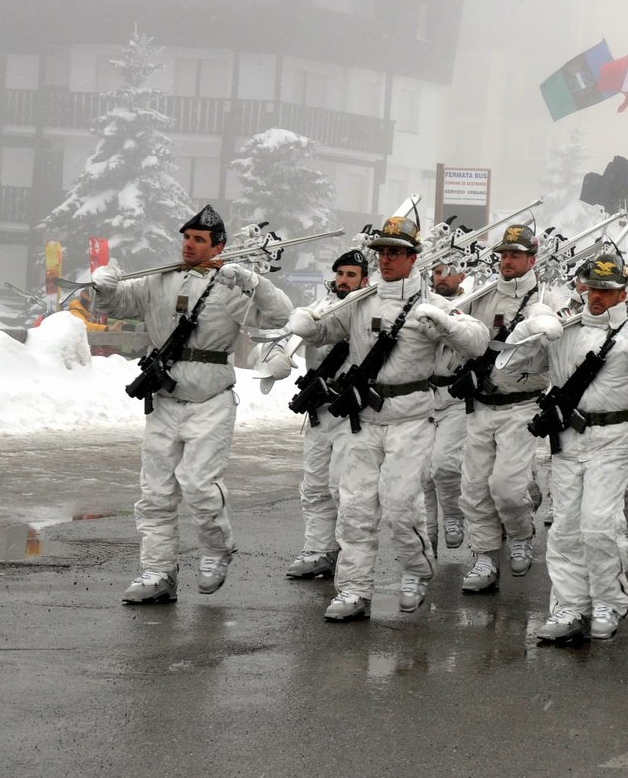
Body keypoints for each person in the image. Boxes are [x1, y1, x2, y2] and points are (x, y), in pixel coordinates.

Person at [284, 215, 489, 623]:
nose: (386, 259)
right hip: (364, 419)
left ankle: (415, 570)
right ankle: (355, 589)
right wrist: (307, 324)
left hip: (411, 420)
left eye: (395, 252)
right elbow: (328, 329)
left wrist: (448, 327)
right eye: (381, 252)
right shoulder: (362, 299)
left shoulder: (433, 304)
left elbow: (478, 341)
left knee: (400, 506)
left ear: (414, 258)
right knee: (355, 506)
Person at [495, 255, 628, 644]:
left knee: (598, 526)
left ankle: (609, 599)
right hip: (569, 440)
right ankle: (570, 606)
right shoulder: (566, 331)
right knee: (565, 529)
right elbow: (505, 371)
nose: (598, 298)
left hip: (614, 439)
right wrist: (527, 330)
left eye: (607, 291)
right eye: (593, 289)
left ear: (622, 293)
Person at [91, 204, 293, 603]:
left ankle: (217, 550)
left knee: (199, 485)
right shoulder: (158, 281)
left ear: (218, 246)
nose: (189, 245)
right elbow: (115, 306)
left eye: (199, 240)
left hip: (211, 400)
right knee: (156, 492)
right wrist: (104, 286)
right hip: (165, 399)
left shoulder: (234, 285)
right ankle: (157, 572)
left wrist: (255, 283)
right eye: (186, 237)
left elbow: (279, 315)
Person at [455, 224, 570, 594]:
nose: (507, 261)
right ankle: (486, 555)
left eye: (515, 255)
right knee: (474, 487)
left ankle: (520, 535)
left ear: (532, 259)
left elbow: (563, 352)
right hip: (479, 405)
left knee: (505, 486)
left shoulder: (549, 300)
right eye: (503, 254)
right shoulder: (480, 296)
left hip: (521, 405)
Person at [282, 249, 369, 580]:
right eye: (340, 274)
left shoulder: (365, 310)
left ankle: (347, 554)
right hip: (318, 409)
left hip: (350, 411)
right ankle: (318, 549)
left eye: (351, 275)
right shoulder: (319, 308)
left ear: (364, 279)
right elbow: (291, 338)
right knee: (315, 484)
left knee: (341, 486)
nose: (343, 280)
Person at [424, 258, 470, 552]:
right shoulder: (420, 303)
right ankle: (427, 538)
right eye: (437, 272)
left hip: (456, 395)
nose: (441, 277)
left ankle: (453, 514)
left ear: (462, 275)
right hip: (423, 395)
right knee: (422, 473)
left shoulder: (472, 303)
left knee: (443, 464)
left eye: (448, 272)